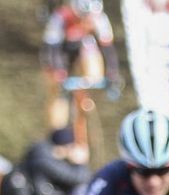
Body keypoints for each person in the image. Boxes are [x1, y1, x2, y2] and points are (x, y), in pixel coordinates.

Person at [41, 0, 122, 133]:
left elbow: (108, 48)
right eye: (82, 17)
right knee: (56, 93)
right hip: (61, 52)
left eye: (89, 18)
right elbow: (51, 50)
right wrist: (59, 72)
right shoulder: (61, 16)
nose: (86, 21)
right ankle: (57, 131)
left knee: (90, 46)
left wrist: (112, 71)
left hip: (82, 52)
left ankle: (89, 96)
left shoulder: (99, 18)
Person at [0, 126, 90, 195]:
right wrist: (80, 163)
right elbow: (77, 178)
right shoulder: (44, 160)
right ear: (65, 148)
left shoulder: (41, 155)